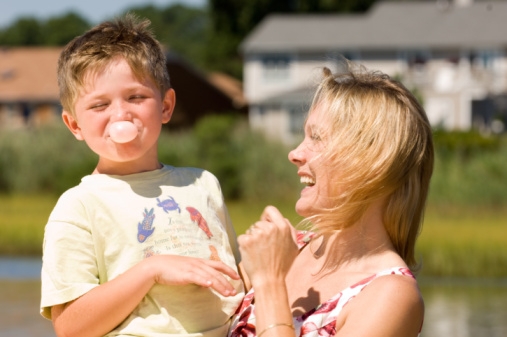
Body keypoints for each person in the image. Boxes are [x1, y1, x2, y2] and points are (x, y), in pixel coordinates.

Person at [40, 14, 244, 337]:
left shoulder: (204, 184)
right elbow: (70, 327)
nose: (121, 115)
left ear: (165, 106)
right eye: (99, 105)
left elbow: (238, 276)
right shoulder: (78, 207)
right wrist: (152, 269)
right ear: (74, 125)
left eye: (136, 97)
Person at [229, 62, 434, 337]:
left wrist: (269, 282)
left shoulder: (391, 295)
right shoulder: (288, 249)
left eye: (316, 137)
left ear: (370, 161)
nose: (295, 154)